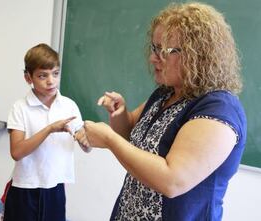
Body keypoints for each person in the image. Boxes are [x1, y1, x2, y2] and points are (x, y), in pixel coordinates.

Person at [75, 2, 246, 221]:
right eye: (154, 48)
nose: (153, 58)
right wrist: (120, 114)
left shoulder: (219, 110)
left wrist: (108, 139)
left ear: (198, 55)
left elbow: (172, 180)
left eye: (164, 51)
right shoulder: (166, 93)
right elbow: (130, 135)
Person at [2, 43, 90, 221]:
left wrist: (85, 141)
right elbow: (17, 152)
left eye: (55, 73)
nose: (51, 81)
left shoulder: (69, 105)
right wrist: (50, 129)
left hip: (55, 187)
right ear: (28, 78)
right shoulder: (20, 107)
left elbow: (87, 147)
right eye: (43, 76)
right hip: (25, 187)